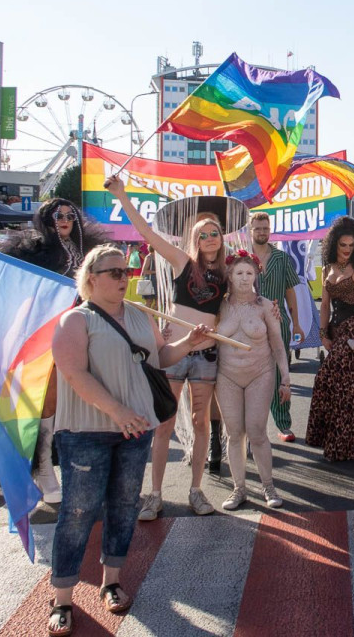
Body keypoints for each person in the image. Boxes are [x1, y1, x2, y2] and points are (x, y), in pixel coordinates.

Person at [47, 246, 210, 637]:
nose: (124, 278)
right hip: (86, 432)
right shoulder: (75, 321)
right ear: (91, 278)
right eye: (114, 272)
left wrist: (188, 343)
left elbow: (160, 357)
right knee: (78, 512)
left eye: (125, 271)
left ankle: (112, 580)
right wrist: (117, 411)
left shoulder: (140, 314)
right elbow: (74, 375)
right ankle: (62, 598)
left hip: (136, 430)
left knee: (123, 506)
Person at [105, 177, 223, 518]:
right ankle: (154, 494)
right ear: (194, 239)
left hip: (207, 356)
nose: (209, 239)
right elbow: (147, 234)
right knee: (164, 424)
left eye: (214, 233)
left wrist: (269, 309)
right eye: (203, 233)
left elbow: (242, 304)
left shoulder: (229, 273)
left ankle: (196, 490)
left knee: (201, 421)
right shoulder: (182, 262)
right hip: (175, 350)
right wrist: (122, 196)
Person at [3, 198, 111, 505]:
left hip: (85, 333)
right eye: (57, 215)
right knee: (47, 405)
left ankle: (83, 475)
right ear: (45, 219)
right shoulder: (32, 253)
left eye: (68, 215)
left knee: (84, 403)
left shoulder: (87, 251)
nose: (63, 220)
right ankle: (45, 472)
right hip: (47, 337)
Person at [215, 251, 289, 510]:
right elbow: (201, 333)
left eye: (249, 273)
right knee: (234, 433)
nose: (245, 278)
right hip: (227, 376)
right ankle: (239, 489)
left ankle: (268, 485)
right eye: (239, 273)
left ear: (256, 276)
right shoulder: (219, 306)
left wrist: (286, 379)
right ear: (230, 277)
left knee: (257, 431)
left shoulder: (267, 306)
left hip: (260, 373)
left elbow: (278, 345)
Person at [305, 217, 354, 462]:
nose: (347, 249)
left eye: (351, 245)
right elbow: (324, 306)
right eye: (343, 245)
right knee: (330, 383)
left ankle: (346, 445)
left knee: (348, 388)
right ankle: (334, 439)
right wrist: (323, 335)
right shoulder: (329, 267)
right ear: (334, 244)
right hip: (335, 330)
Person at [249, 212, 304, 440]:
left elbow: (290, 291)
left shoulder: (281, 258)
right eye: (258, 228)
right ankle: (251, 427)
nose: (262, 232)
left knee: (281, 372)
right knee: (249, 374)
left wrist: (297, 323)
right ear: (250, 230)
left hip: (278, 320)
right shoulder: (242, 258)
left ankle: (283, 423)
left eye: (265, 228)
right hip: (249, 323)